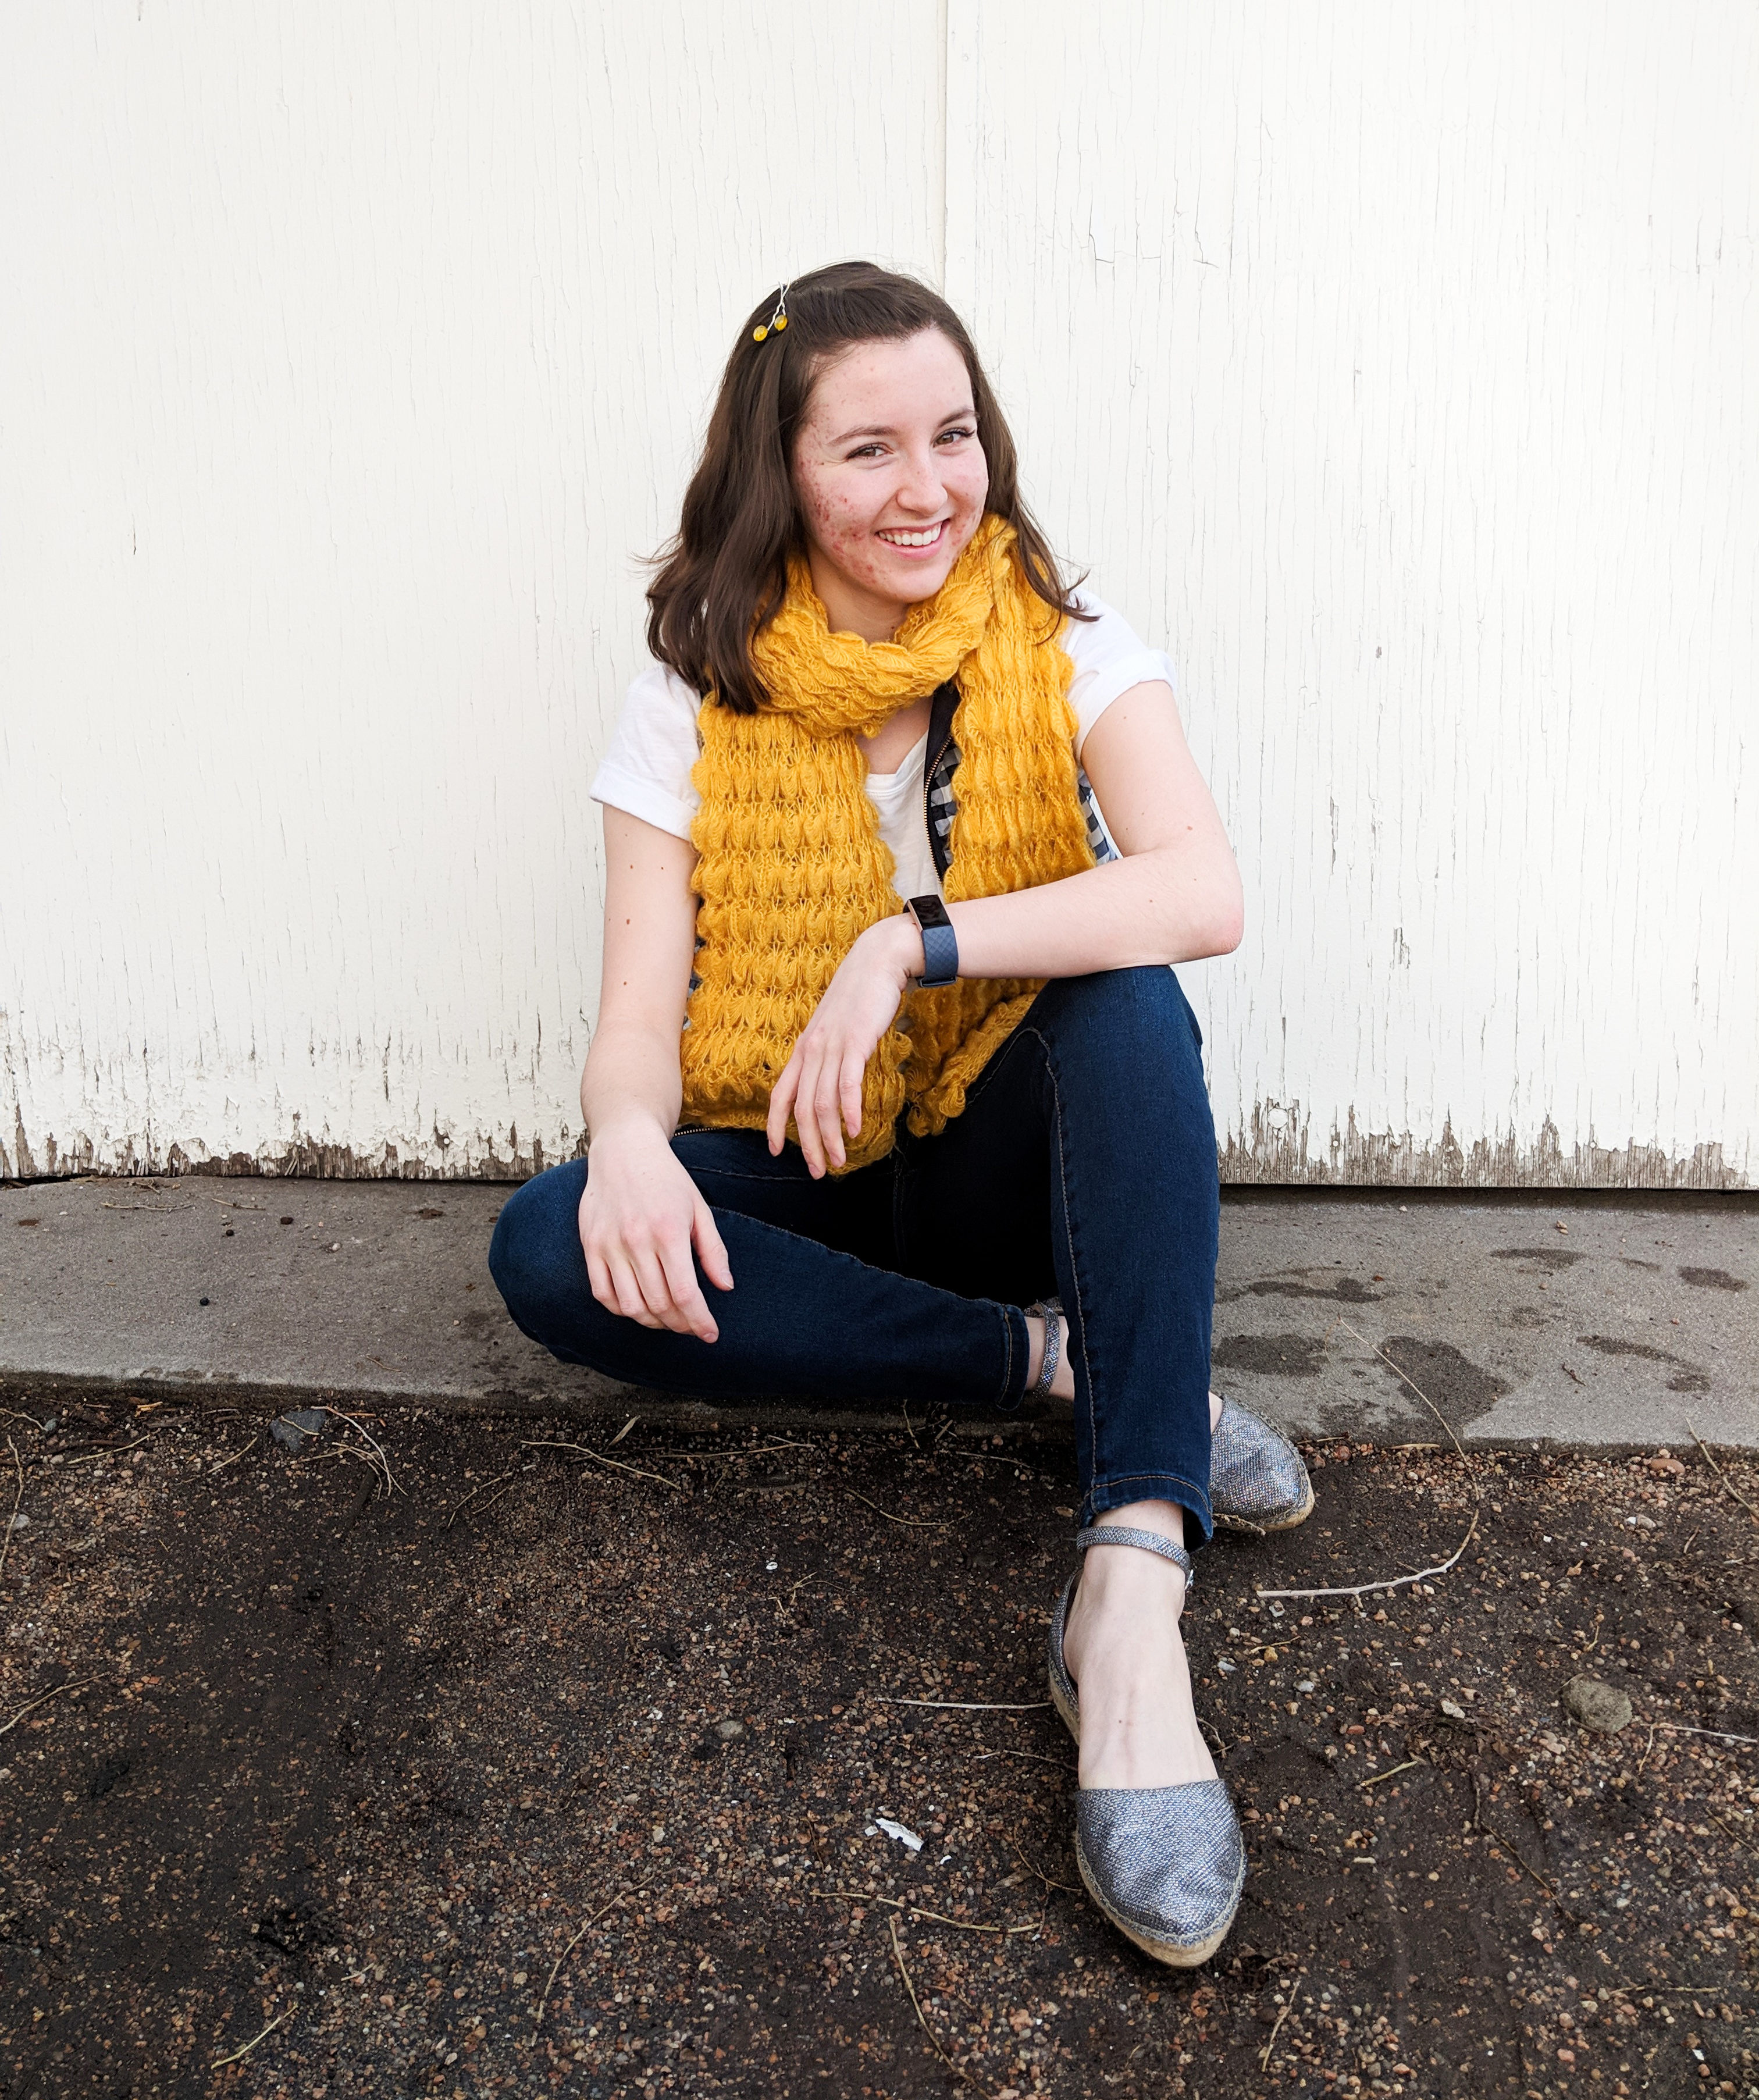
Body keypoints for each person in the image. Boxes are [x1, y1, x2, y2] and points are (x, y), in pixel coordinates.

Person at [489, 261, 1315, 1967]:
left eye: (953, 435)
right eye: (866, 449)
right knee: (547, 1241)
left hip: (1020, 1160)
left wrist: (911, 943)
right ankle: (1054, 1360)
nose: (927, 487)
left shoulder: (1068, 644)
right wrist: (632, 1139)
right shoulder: (693, 698)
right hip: (805, 1161)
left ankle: (1132, 1588)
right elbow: (639, 1022)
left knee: (1124, 986)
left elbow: (1201, 887)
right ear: (776, 474)